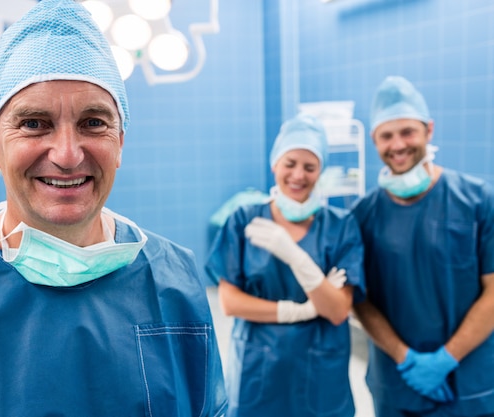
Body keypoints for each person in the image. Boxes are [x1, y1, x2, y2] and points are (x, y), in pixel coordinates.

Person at [0, 1, 227, 415]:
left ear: (120, 143)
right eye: (34, 124)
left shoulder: (175, 278)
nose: (68, 155)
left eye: (94, 122)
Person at [351, 75, 494, 417]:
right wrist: (404, 357)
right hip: (397, 382)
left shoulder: (477, 200)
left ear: (429, 130)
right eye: (387, 135)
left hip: (470, 382)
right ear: (374, 140)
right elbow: (360, 299)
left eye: (407, 132)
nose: (398, 144)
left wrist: (448, 358)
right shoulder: (363, 216)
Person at [205, 113, 366, 417]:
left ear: (321, 171)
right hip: (260, 373)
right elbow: (230, 302)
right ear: (274, 165)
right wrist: (302, 309)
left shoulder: (342, 226)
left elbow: (336, 310)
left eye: (310, 166)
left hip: (321, 374)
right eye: (290, 163)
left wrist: (296, 258)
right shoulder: (244, 219)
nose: (298, 175)